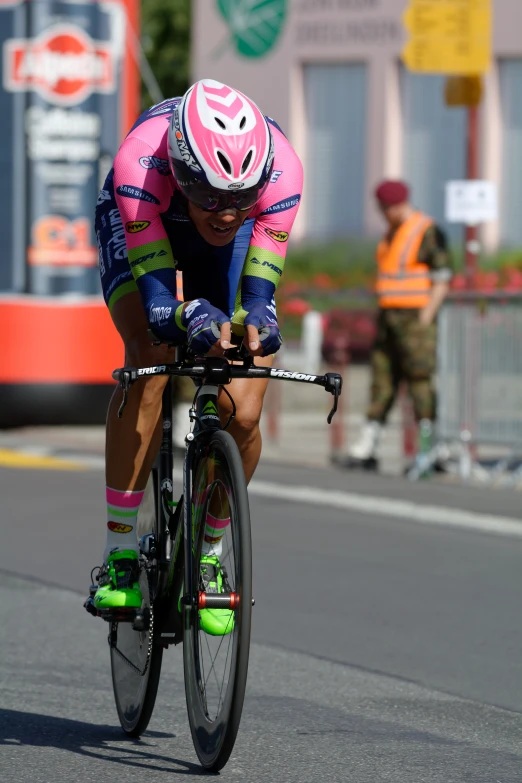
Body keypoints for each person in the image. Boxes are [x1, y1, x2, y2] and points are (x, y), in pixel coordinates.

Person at [90, 79, 303, 634]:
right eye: (210, 194)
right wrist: (190, 316)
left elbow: (257, 297)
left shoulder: (283, 171)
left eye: (239, 199)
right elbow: (161, 303)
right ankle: (119, 556)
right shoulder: (139, 161)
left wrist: (259, 318)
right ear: (184, 173)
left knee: (246, 405)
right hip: (151, 215)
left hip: (215, 228)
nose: (226, 212)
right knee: (150, 352)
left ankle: (208, 550)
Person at [347, 180, 452, 470]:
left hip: (415, 319)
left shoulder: (426, 231)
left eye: (384, 209)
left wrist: (426, 316)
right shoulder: (391, 234)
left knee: (420, 381)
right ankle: (368, 446)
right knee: (382, 382)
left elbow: (443, 278)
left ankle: (431, 449)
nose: (383, 214)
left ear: (393, 205)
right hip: (389, 318)